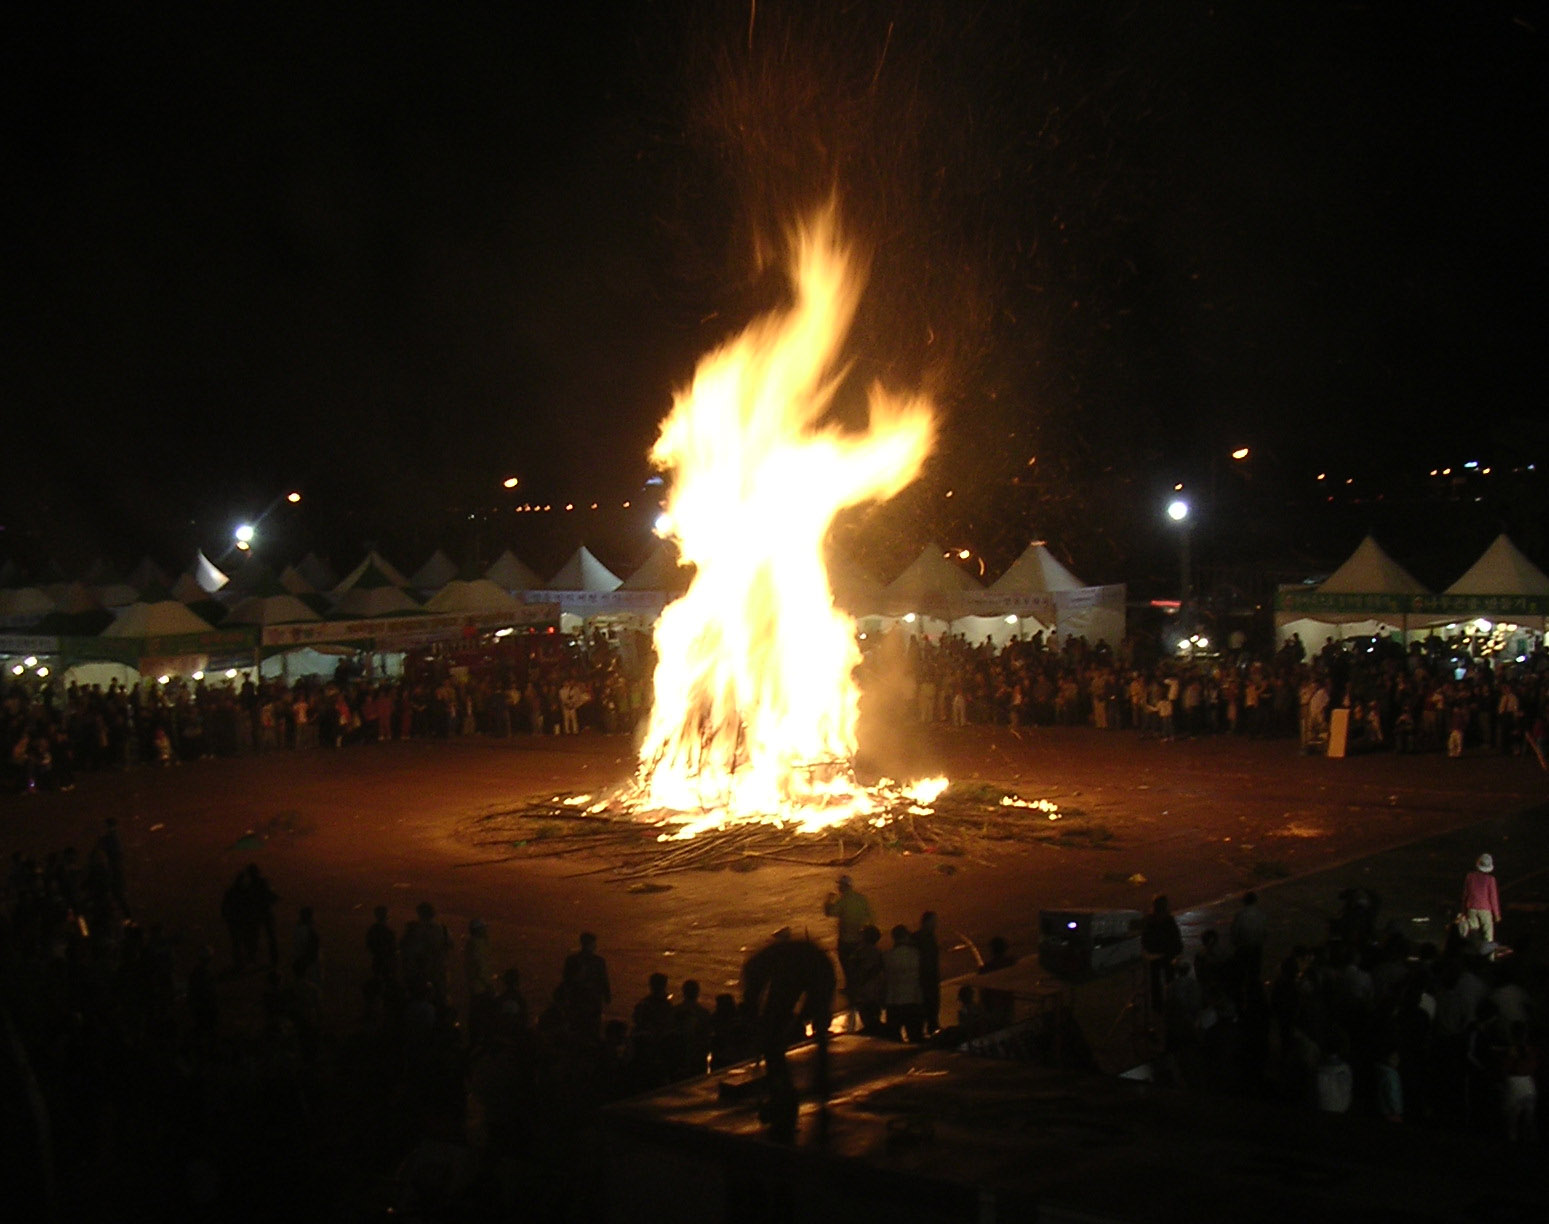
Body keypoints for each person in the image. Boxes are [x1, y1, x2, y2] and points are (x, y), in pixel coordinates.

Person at [823, 874, 874, 987]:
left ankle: (851, 986)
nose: (838, 887)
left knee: (846, 963)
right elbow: (871, 916)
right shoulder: (861, 898)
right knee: (858, 963)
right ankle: (860, 985)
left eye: (840, 885)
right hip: (860, 938)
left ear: (844, 886)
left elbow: (830, 912)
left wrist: (828, 901)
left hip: (846, 939)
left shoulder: (843, 901)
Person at [562, 931, 612, 1038]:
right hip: (591, 1000)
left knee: (577, 1029)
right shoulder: (598, 961)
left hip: (577, 1000)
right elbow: (603, 979)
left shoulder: (572, 960)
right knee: (592, 1029)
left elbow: (566, 980)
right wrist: (607, 995)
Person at [1141, 895, 1183, 1013]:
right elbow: (1176, 938)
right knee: (1170, 979)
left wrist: (1148, 950)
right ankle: (1171, 1002)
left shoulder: (1150, 920)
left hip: (1154, 955)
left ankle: (1157, 1005)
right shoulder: (1169, 920)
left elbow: (1145, 938)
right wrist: (1177, 951)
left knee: (1155, 981)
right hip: (1168, 954)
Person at [882, 924, 924, 1042]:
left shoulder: (887, 956)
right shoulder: (915, 954)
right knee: (915, 1037)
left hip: (894, 1001)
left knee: (893, 1039)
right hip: (913, 1000)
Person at [1460, 853, 1502, 945]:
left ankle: (1473, 956)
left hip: (1471, 909)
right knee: (1488, 936)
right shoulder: (1491, 879)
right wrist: (1497, 914)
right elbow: (1493, 898)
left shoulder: (1469, 876)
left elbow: (1465, 895)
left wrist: (1463, 912)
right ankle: (1488, 957)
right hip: (1485, 910)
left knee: (1473, 936)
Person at [913, 911, 941, 1034]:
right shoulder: (925, 937)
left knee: (929, 1006)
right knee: (929, 1005)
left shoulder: (924, 936)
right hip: (926, 978)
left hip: (928, 978)